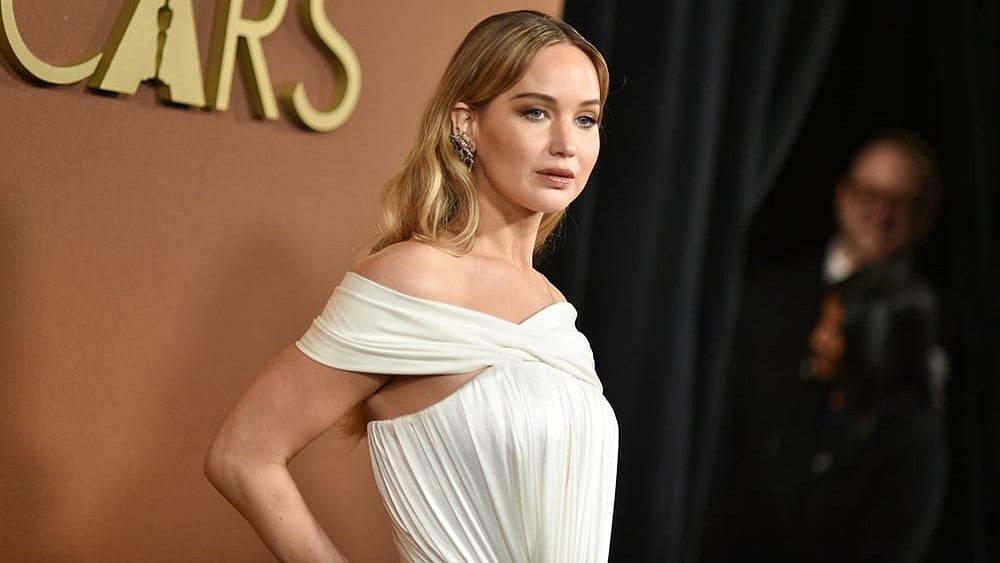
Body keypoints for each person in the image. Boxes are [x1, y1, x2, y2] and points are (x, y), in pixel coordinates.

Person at [203, 10, 618, 563]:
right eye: (536, 112)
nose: (566, 143)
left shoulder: (555, 311)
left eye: (586, 119)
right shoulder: (415, 277)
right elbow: (242, 455)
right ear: (466, 123)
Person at [700, 128, 944, 562]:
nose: (881, 215)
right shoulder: (768, 302)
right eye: (869, 195)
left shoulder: (941, 329)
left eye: (900, 203)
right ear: (842, 195)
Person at [762, 262, 947, 563]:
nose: (818, 340)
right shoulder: (812, 401)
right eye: (822, 323)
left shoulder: (911, 442)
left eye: (835, 331)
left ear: (878, 343)